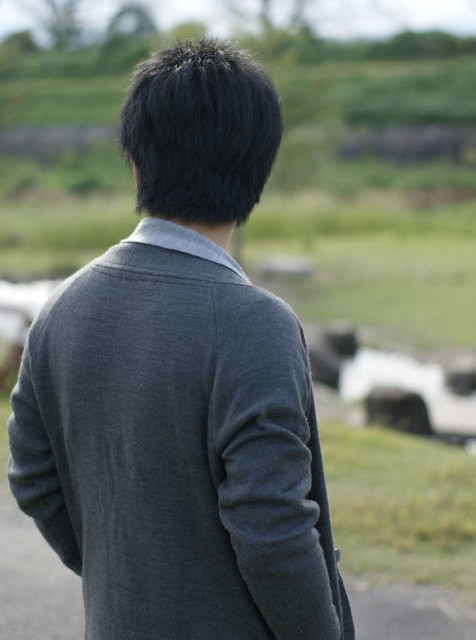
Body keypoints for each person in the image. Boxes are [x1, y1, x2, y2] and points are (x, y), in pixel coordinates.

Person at [7, 39, 354, 639]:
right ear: (258, 172)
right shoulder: (256, 325)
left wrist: (121, 572)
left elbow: (33, 477)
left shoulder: (60, 310)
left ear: (136, 166)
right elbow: (274, 533)